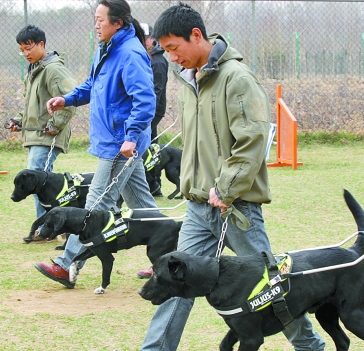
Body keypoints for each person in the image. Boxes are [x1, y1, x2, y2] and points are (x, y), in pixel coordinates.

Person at [140, 3, 326, 351]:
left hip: (236, 207)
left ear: (196, 35)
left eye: (173, 48)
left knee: (270, 286)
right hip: (197, 208)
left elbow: (253, 140)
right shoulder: (188, 80)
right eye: (165, 51)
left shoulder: (238, 79)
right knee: (174, 282)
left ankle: (310, 346)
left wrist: (225, 189)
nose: (171, 58)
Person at [34, 0, 157, 288]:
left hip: (120, 143)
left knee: (95, 205)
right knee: (142, 206)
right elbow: (91, 85)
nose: (96, 24)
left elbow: (145, 101)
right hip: (114, 141)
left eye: (101, 19)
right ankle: (169, 257)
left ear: (118, 23)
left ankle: (66, 265)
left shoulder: (131, 53)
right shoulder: (106, 49)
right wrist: (68, 98)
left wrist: (131, 136)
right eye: (95, 19)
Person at [9, 25, 76, 242]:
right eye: (22, 50)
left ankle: (49, 229)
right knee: (41, 184)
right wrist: (18, 121)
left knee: (39, 182)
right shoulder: (35, 70)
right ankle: (56, 226)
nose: (25, 53)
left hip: (48, 136)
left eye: (28, 48)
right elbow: (31, 104)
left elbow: (69, 100)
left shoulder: (53, 69)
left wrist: (55, 126)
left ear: (41, 45)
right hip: (36, 136)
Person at [140, 23, 169, 200]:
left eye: (144, 38)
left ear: (152, 39)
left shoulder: (158, 62)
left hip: (153, 111)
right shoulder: (148, 58)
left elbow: (157, 91)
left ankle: (153, 184)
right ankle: (154, 185)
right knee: (151, 145)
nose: (142, 42)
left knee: (148, 148)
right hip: (149, 110)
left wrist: (147, 113)